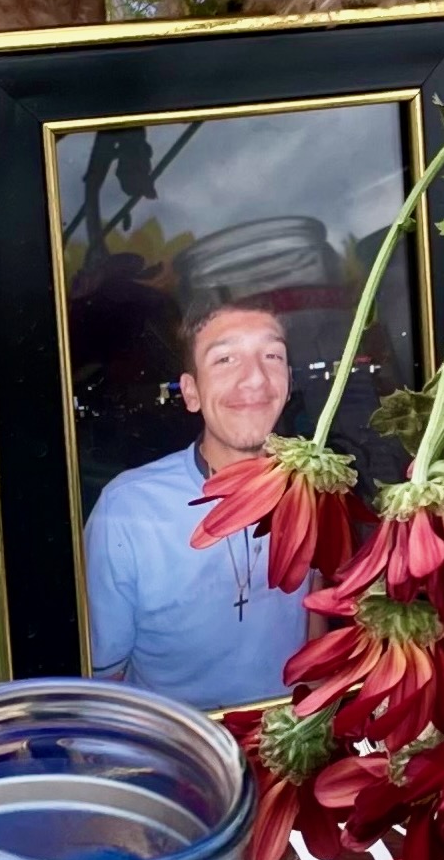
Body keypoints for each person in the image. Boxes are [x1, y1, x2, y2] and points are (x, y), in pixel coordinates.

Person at [83, 300, 311, 710]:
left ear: (289, 381)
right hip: (180, 754)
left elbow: (314, 618)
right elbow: (102, 681)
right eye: (225, 359)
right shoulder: (128, 510)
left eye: (271, 356)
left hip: (288, 746)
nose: (255, 378)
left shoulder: (312, 486)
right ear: (191, 392)